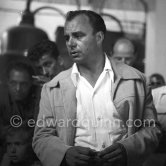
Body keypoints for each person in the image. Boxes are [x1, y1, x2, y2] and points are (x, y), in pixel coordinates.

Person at [33, 10, 161, 166]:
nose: (70, 43)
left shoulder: (136, 81)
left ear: (99, 37)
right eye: (67, 37)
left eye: (78, 35)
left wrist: (127, 150)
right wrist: (64, 154)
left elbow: (152, 130)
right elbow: (41, 137)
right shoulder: (52, 88)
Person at [0, 60, 40, 126]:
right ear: (7, 82)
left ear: (31, 83)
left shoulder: (41, 98)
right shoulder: (2, 98)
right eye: (13, 83)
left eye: (23, 84)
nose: (18, 89)